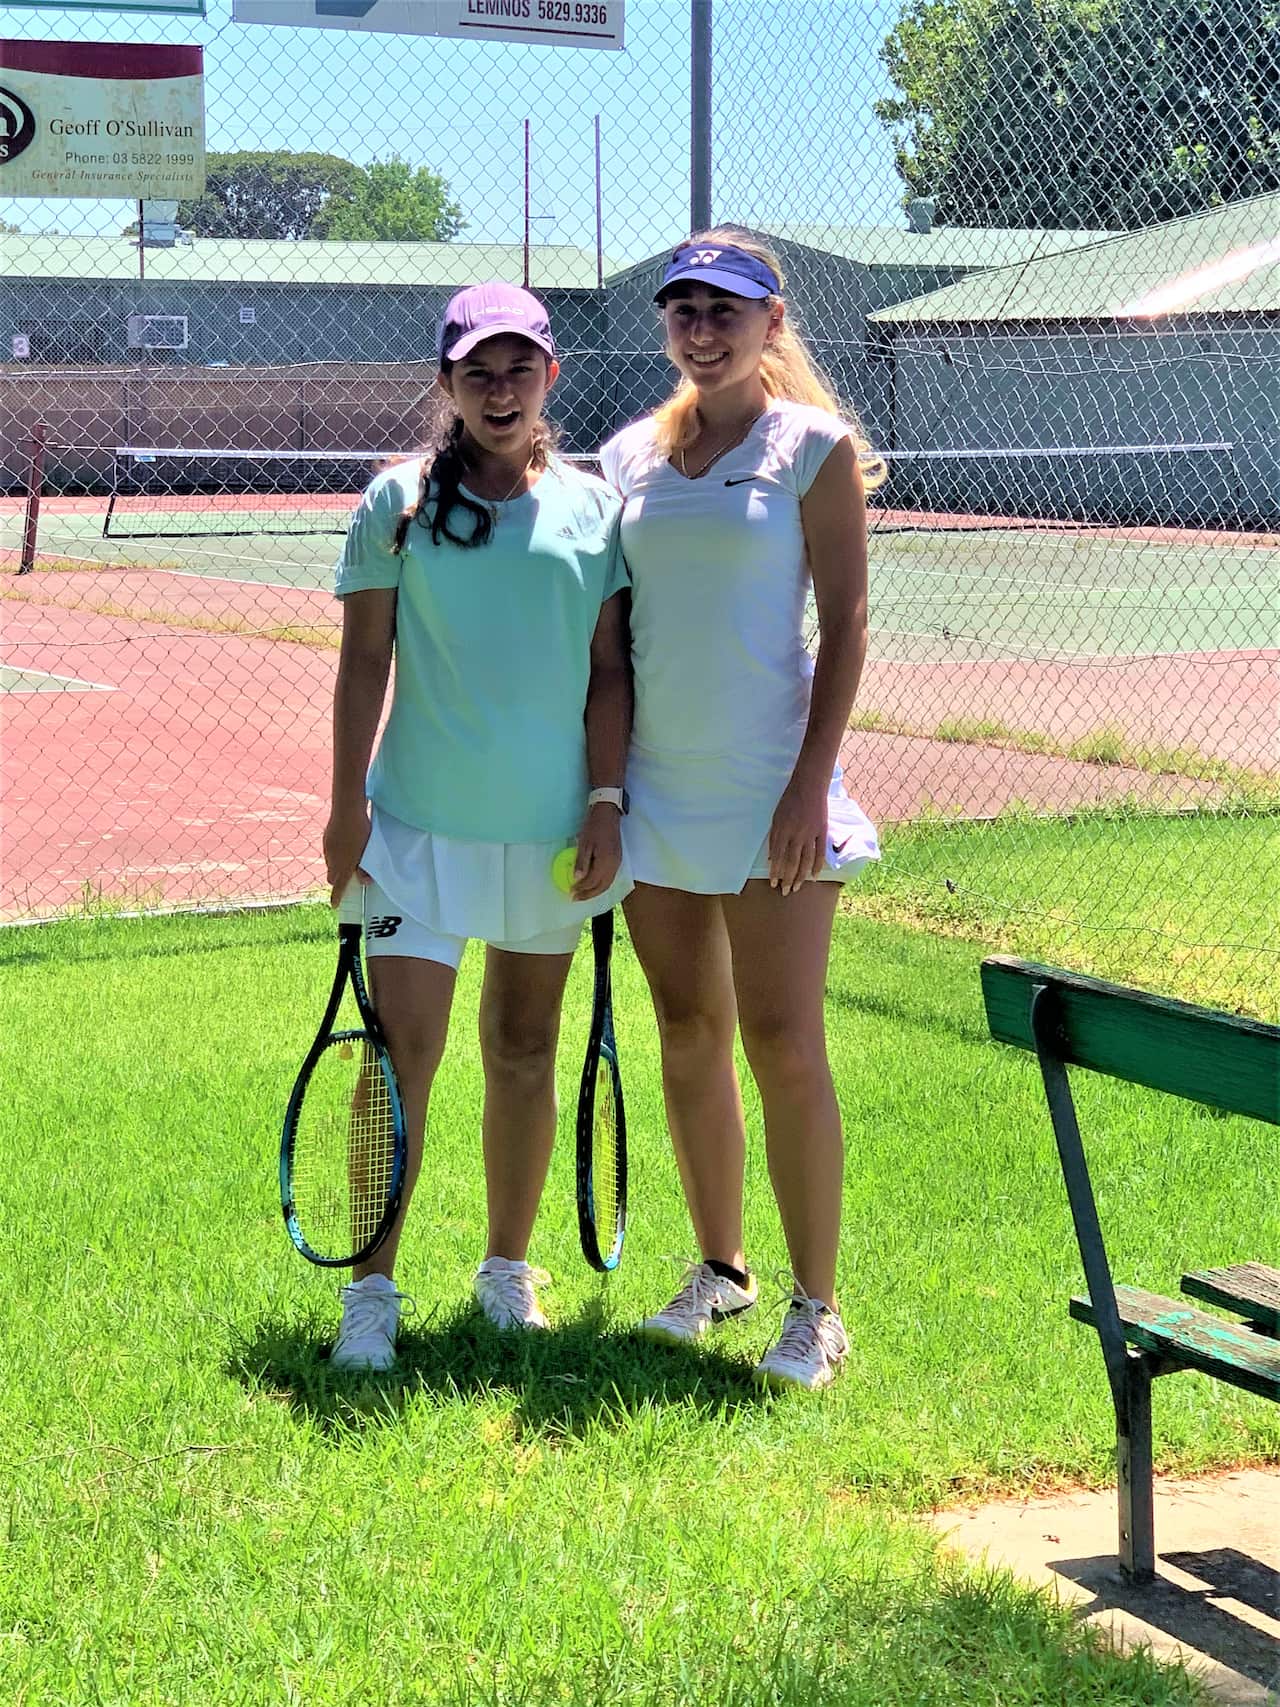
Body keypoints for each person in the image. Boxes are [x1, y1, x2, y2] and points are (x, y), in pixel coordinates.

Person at [324, 281, 631, 1371]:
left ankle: (506, 1271)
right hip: (415, 830)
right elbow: (365, 663)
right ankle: (371, 1289)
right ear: (445, 385)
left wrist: (603, 803)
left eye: (518, 370)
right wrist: (344, 810)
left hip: (547, 836)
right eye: (475, 372)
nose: (498, 392)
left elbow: (608, 675)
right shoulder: (395, 502)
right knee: (398, 1060)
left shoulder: (595, 509)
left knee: (522, 1049)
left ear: (550, 376)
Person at [599, 229, 885, 1392]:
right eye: (683, 311)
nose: (701, 329)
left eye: (726, 310)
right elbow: (610, 645)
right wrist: (609, 794)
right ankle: (721, 1270)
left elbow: (849, 624)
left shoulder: (811, 447)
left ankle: (817, 1308)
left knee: (781, 1042)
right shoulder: (624, 456)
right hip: (658, 796)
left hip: (773, 794)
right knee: (687, 1037)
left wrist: (807, 787)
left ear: (772, 324)